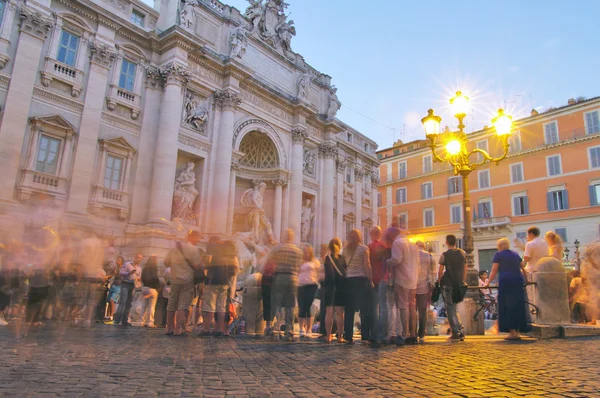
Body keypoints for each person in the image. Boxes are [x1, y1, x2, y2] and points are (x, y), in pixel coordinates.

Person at [484, 238, 531, 340]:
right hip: (518, 281)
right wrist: (526, 280)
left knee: (507, 305)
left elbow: (494, 270)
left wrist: (487, 282)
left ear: (499, 246)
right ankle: (517, 331)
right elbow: (523, 268)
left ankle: (512, 332)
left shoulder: (498, 255)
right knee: (518, 305)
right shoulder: (515, 254)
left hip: (506, 282)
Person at [267, 229, 303, 341]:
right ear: (292, 237)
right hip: (293, 278)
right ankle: (289, 331)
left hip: (279, 277)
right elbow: (300, 266)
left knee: (276, 304)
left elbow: (269, 262)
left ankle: (276, 330)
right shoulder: (298, 251)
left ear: (283, 237)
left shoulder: (277, 249)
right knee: (290, 306)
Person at [164, 230, 202, 336]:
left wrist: (175, 266)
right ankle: (177, 329)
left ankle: (168, 328)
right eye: (198, 238)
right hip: (187, 280)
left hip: (175, 279)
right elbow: (196, 266)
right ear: (192, 237)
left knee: (171, 304)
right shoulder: (193, 250)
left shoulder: (174, 248)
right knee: (183, 306)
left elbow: (166, 262)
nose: (198, 241)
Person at [387, 227, 419, 345]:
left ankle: (404, 334)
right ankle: (413, 334)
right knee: (412, 306)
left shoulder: (397, 243)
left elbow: (396, 259)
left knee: (402, 306)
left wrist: (386, 262)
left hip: (402, 278)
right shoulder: (413, 244)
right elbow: (417, 262)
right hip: (413, 278)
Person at [200, 238, 238, 337]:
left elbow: (207, 262)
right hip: (225, 281)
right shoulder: (228, 250)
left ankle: (206, 329)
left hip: (213, 279)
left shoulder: (211, 247)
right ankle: (219, 330)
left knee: (210, 305)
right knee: (221, 306)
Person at [343, 229, 374, 345]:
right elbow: (367, 265)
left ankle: (348, 336)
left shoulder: (345, 250)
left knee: (349, 310)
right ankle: (365, 336)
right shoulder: (364, 248)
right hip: (361, 280)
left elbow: (344, 266)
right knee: (364, 309)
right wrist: (370, 281)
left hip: (349, 281)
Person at [438, 234, 467, 342]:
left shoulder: (444, 255)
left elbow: (440, 271)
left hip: (447, 283)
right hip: (457, 284)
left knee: (449, 308)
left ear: (446, 242)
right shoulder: (462, 253)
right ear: (455, 242)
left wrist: (439, 282)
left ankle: (455, 332)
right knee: (454, 308)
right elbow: (465, 268)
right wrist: (461, 281)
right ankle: (460, 330)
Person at [322, 238, 347, 343]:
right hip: (340, 286)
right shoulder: (343, 258)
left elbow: (323, 273)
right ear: (339, 246)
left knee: (329, 312)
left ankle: (328, 336)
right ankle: (340, 337)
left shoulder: (325, 258)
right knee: (340, 313)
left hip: (329, 286)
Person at [368, 226, 388, 345]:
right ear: (380, 234)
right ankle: (383, 334)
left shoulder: (369, 247)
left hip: (372, 279)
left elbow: (367, 264)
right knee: (383, 308)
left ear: (371, 234)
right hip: (383, 279)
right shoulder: (384, 247)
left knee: (373, 309)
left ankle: (374, 334)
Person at [297, 245, 320, 340]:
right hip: (300, 285)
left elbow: (319, 272)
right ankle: (301, 329)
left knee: (308, 307)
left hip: (311, 285)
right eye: (304, 251)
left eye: (307, 251)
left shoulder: (315, 261)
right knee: (301, 307)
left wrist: (316, 280)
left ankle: (309, 329)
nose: (306, 253)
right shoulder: (300, 262)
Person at [114, 253, 142, 327]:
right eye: (138, 258)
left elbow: (139, 276)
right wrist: (128, 273)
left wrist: (139, 279)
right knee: (123, 302)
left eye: (140, 258)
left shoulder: (139, 268)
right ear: (135, 257)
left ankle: (125, 320)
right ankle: (117, 320)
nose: (139, 260)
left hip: (133, 286)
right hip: (125, 284)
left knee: (129, 304)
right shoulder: (127, 264)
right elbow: (121, 272)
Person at [415, 241, 435, 343]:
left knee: (412, 310)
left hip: (412, 286)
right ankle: (422, 333)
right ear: (423, 246)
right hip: (424, 286)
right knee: (422, 310)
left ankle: (412, 333)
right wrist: (432, 285)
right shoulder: (429, 256)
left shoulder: (413, 254)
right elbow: (433, 272)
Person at [140, 255, 160, 328]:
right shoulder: (154, 268)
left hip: (144, 288)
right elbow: (155, 278)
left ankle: (141, 322)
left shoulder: (145, 269)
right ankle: (150, 322)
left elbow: (142, 278)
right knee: (151, 306)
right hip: (152, 289)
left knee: (143, 306)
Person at [106, 256, 124, 324]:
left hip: (118, 287)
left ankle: (111, 317)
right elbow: (112, 275)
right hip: (113, 286)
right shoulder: (116, 268)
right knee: (109, 301)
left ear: (122, 262)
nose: (117, 261)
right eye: (117, 260)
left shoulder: (122, 269)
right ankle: (108, 316)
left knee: (112, 300)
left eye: (119, 260)